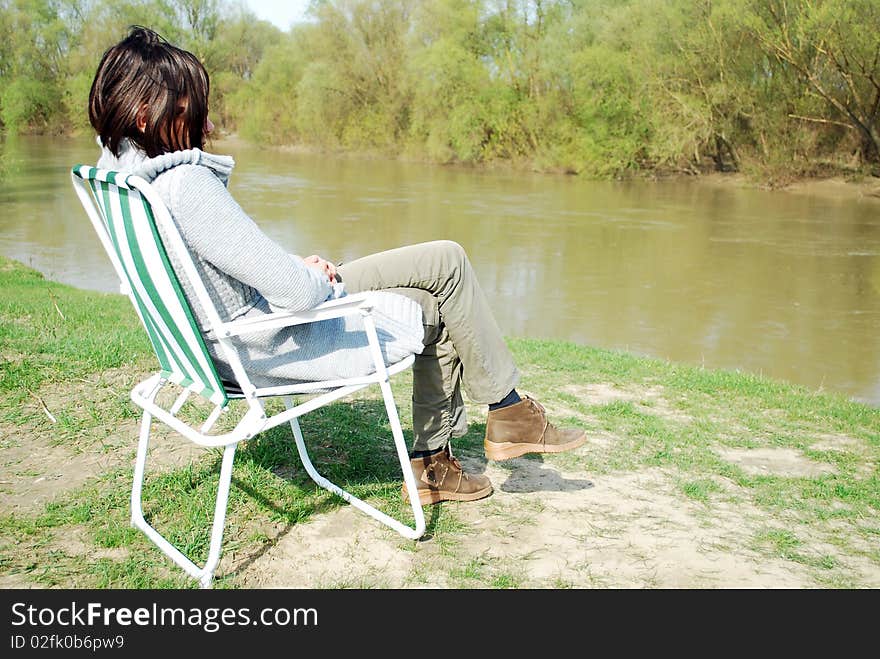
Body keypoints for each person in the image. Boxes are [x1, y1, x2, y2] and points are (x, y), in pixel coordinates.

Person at [88, 26, 587, 506]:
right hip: (272, 338)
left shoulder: (123, 183)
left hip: (230, 338)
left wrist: (292, 265)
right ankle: (490, 424)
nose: (208, 127)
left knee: (442, 276)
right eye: (192, 110)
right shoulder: (185, 185)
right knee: (444, 276)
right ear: (144, 113)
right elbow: (299, 295)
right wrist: (309, 275)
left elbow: (222, 270)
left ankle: (487, 425)